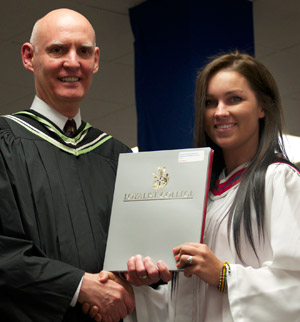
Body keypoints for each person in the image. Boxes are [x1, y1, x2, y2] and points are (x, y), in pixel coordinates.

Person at [99, 51, 300, 321]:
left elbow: (293, 286)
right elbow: (186, 305)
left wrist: (223, 274)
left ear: (263, 107)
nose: (219, 112)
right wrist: (134, 289)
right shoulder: (199, 195)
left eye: (234, 99)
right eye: (209, 102)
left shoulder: (280, 180)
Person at [0, 8, 135, 322]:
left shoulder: (117, 156)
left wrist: (141, 275)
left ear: (96, 60)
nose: (73, 62)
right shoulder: (4, 143)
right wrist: (78, 287)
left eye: (84, 52)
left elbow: (133, 248)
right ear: (29, 56)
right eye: (58, 50)